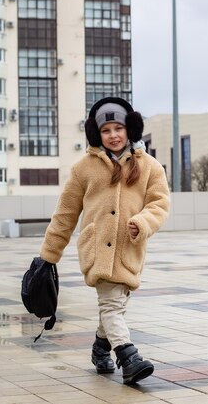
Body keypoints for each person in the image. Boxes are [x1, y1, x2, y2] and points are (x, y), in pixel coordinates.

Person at [38, 96, 170, 385]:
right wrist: (49, 255)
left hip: (129, 248)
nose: (113, 135)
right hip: (96, 248)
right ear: (96, 134)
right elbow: (66, 213)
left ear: (129, 129)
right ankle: (128, 356)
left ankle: (100, 349)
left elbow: (160, 204)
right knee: (111, 305)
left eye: (118, 128)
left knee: (115, 306)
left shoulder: (149, 166)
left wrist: (143, 223)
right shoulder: (83, 168)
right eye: (106, 130)